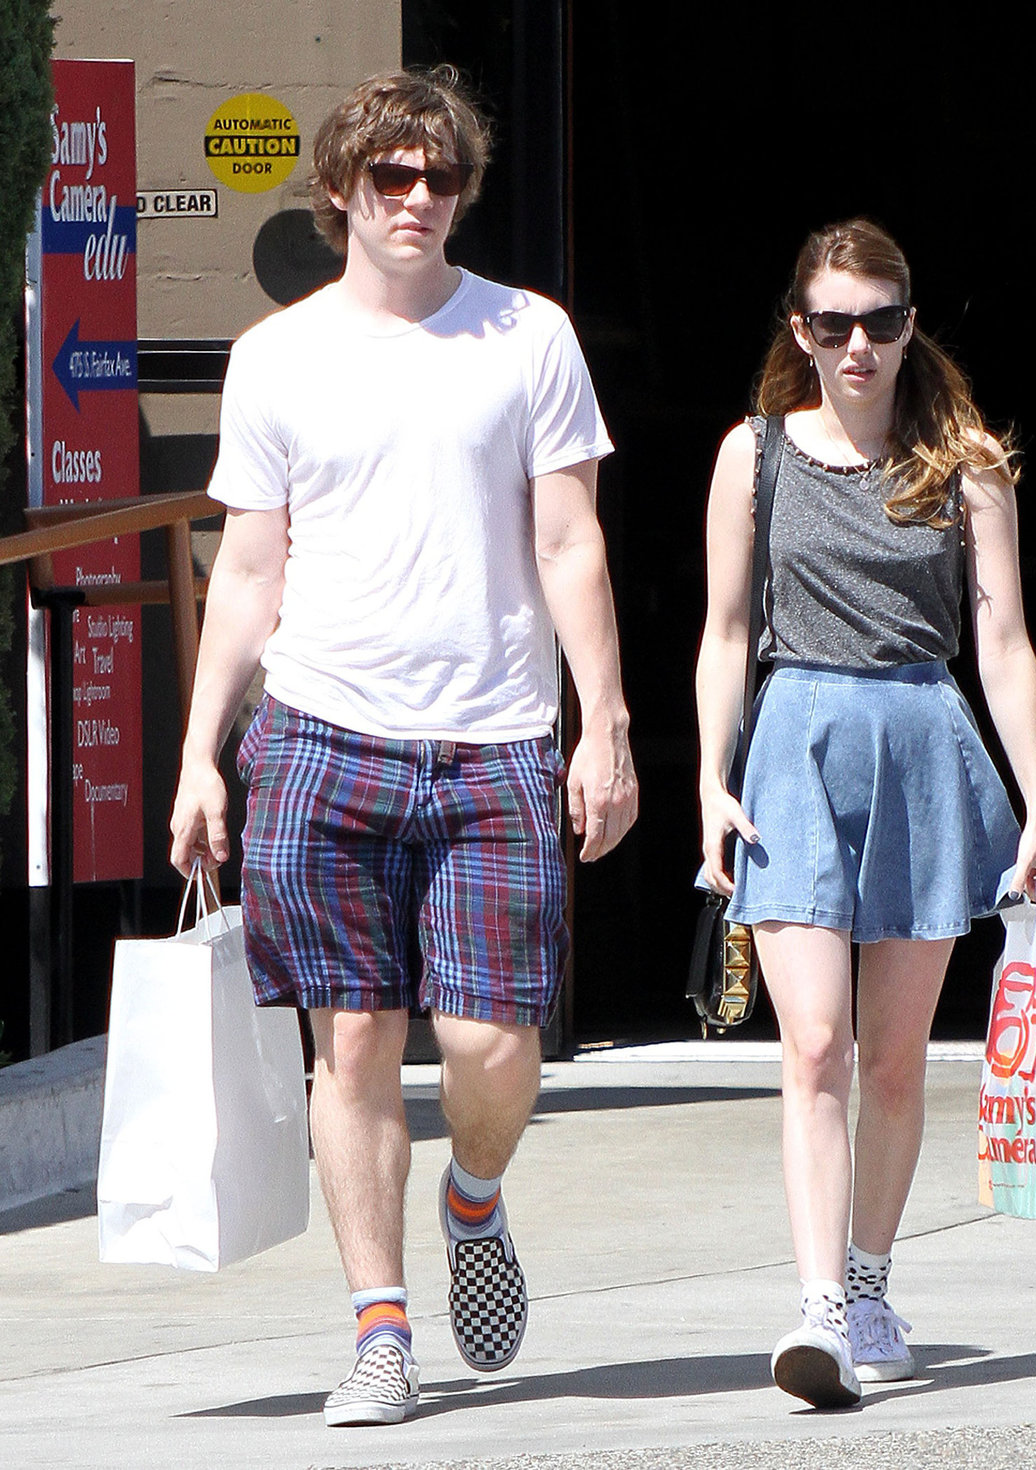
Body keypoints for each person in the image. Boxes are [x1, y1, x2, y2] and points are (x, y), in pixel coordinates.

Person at [169, 66, 637, 1428]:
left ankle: (473, 1196)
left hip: (493, 738)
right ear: (341, 190)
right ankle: (380, 1331)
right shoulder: (278, 357)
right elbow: (248, 569)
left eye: (443, 176)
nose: (420, 197)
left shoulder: (528, 335)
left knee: (491, 1043)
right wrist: (201, 751)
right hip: (321, 735)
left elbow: (570, 538)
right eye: (393, 174)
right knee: (356, 1040)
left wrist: (604, 723)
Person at [695, 219, 1036, 1409]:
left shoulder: (965, 462)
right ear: (801, 330)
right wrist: (710, 777)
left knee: (895, 1060)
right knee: (815, 1044)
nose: (858, 346)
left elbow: (1003, 643)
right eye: (835, 323)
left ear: (910, 327)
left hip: (920, 742)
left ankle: (867, 1281)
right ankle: (817, 1307)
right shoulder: (752, 455)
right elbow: (726, 632)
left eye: (883, 322)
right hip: (794, 743)